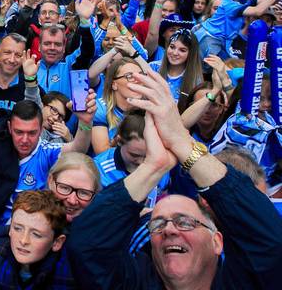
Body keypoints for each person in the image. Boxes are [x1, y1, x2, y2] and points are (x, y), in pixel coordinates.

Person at [66, 70, 282, 290]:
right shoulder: (134, 283)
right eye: (157, 225)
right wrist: (153, 167)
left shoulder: (244, 283)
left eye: (185, 222)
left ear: (217, 241)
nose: (169, 230)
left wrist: (182, 144)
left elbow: (271, 243)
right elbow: (86, 247)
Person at [0, 62, 97, 227]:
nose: (25, 139)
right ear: (10, 128)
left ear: (40, 130)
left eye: (31, 133)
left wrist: (85, 122)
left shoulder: (46, 152)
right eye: (19, 132)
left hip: (32, 229)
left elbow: (77, 149)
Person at [0, 190, 77, 289]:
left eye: (36, 235)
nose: (23, 240)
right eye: (17, 228)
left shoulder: (69, 274)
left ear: (57, 242)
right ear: (9, 228)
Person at [92, 57, 146, 154]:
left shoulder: (148, 108)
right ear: (114, 84)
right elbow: (102, 153)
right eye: (129, 76)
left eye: (140, 75)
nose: (137, 80)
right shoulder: (100, 108)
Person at [149, 29, 203, 105]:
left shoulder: (196, 81)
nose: (175, 53)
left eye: (182, 50)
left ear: (191, 54)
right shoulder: (153, 68)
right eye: (172, 47)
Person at [47, 152, 101, 223]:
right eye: (65, 188)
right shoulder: (29, 215)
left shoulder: (103, 230)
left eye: (83, 193)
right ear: (50, 181)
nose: (72, 201)